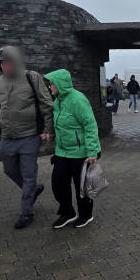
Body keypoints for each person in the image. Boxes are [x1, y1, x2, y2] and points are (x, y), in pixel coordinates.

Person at [0, 45, 54, 229]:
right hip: (8, 137)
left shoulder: (32, 77)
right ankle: (33, 190)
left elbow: (46, 104)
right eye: (1, 63)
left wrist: (48, 129)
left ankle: (27, 212)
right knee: (9, 170)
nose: (5, 66)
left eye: (8, 62)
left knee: (28, 174)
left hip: (29, 135)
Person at [44, 69, 101, 229]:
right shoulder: (58, 101)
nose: (50, 87)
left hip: (81, 152)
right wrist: (51, 133)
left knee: (81, 187)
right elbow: (62, 124)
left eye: (52, 83)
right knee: (58, 184)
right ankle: (68, 212)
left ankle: (86, 214)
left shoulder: (78, 100)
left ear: (61, 84)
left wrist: (92, 151)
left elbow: (90, 125)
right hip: (62, 151)